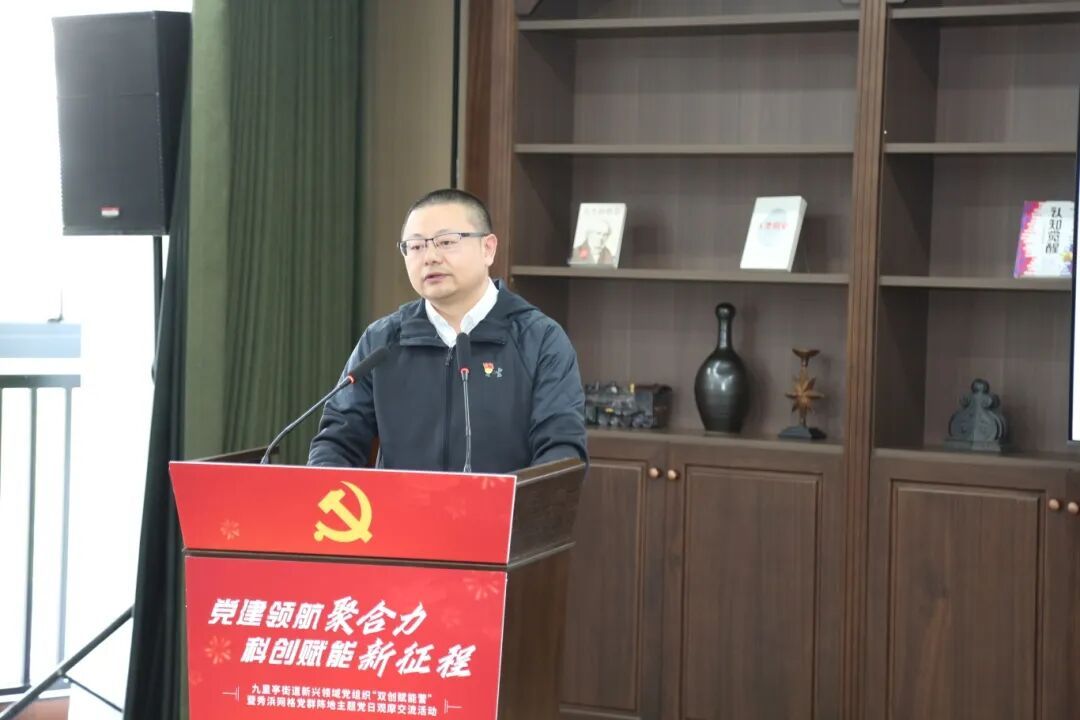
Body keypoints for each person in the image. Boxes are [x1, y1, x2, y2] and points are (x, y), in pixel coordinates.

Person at [307, 188, 588, 473]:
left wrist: (508, 499)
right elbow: (337, 440)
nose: (430, 257)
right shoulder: (381, 341)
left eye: (446, 242)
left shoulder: (539, 340)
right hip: (402, 504)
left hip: (507, 503)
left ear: (488, 249)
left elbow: (561, 454)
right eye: (415, 246)